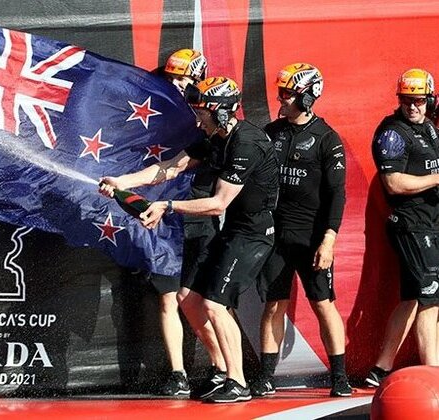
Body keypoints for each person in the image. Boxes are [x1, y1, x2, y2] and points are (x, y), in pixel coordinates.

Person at [103, 76, 280, 403]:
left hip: (253, 235)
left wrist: (167, 205)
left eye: (203, 112)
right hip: (231, 231)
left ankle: (237, 381)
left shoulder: (246, 143)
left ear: (222, 112)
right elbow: (170, 168)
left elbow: (217, 204)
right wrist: (122, 182)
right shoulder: (214, 137)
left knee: (215, 303)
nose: (197, 118)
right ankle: (220, 368)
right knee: (188, 297)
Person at [108, 48, 225, 397]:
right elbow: (164, 167)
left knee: (206, 301)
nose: (174, 84)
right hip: (161, 211)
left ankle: (224, 368)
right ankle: (178, 372)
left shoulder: (213, 121)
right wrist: (122, 182)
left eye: (181, 78)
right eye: (169, 78)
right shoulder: (155, 107)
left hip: (197, 215)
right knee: (168, 297)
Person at [250, 63, 352, 398]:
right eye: (281, 92)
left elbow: (337, 194)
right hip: (276, 236)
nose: (282, 98)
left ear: (309, 96)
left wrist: (329, 239)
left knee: (323, 304)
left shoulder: (327, 138)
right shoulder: (272, 131)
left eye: (289, 93)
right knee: (273, 305)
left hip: (312, 238)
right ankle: (266, 376)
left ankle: (339, 376)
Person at [366, 68, 439, 385]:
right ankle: (433, 373)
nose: (412, 107)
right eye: (406, 100)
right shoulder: (393, 133)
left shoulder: (429, 128)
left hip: (430, 221)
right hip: (411, 223)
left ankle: (380, 368)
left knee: (412, 297)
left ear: (430, 101)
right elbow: (393, 183)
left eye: (419, 100)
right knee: (430, 296)